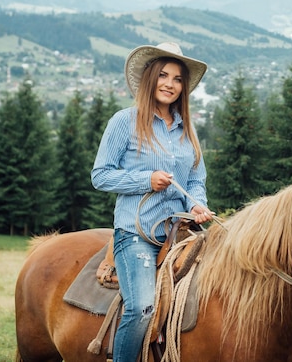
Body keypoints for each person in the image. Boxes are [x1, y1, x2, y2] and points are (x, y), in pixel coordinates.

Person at [91, 42, 214, 362]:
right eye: (163, 75)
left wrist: (198, 205)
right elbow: (100, 176)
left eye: (177, 79)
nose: (169, 84)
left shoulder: (188, 130)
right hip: (137, 232)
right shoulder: (124, 121)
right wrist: (145, 180)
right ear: (149, 77)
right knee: (143, 307)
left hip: (181, 232)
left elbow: (196, 180)